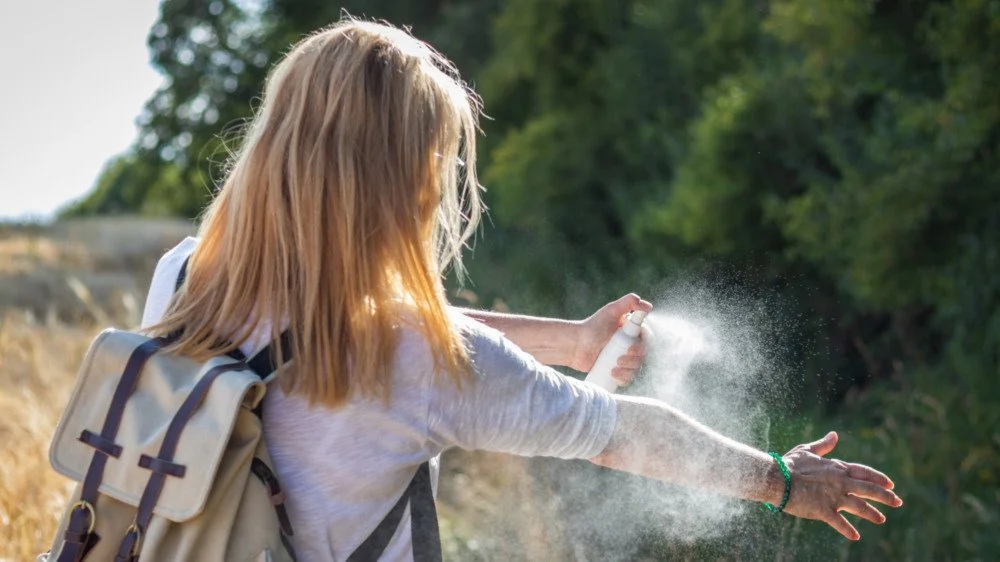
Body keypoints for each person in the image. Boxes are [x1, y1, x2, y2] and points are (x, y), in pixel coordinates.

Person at [141, 18, 902, 561]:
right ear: (401, 176)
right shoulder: (419, 360)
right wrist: (783, 481)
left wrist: (571, 341)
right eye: (437, 158)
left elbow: (348, 317)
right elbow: (622, 434)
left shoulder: (185, 277)